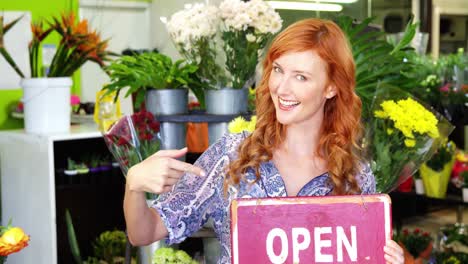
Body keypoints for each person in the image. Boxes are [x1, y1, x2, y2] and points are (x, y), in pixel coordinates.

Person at [124, 18, 404, 263]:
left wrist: (386, 258)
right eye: (278, 70)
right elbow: (143, 232)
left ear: (331, 88)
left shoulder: (354, 175)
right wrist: (134, 185)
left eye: (301, 77)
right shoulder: (232, 155)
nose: (281, 87)